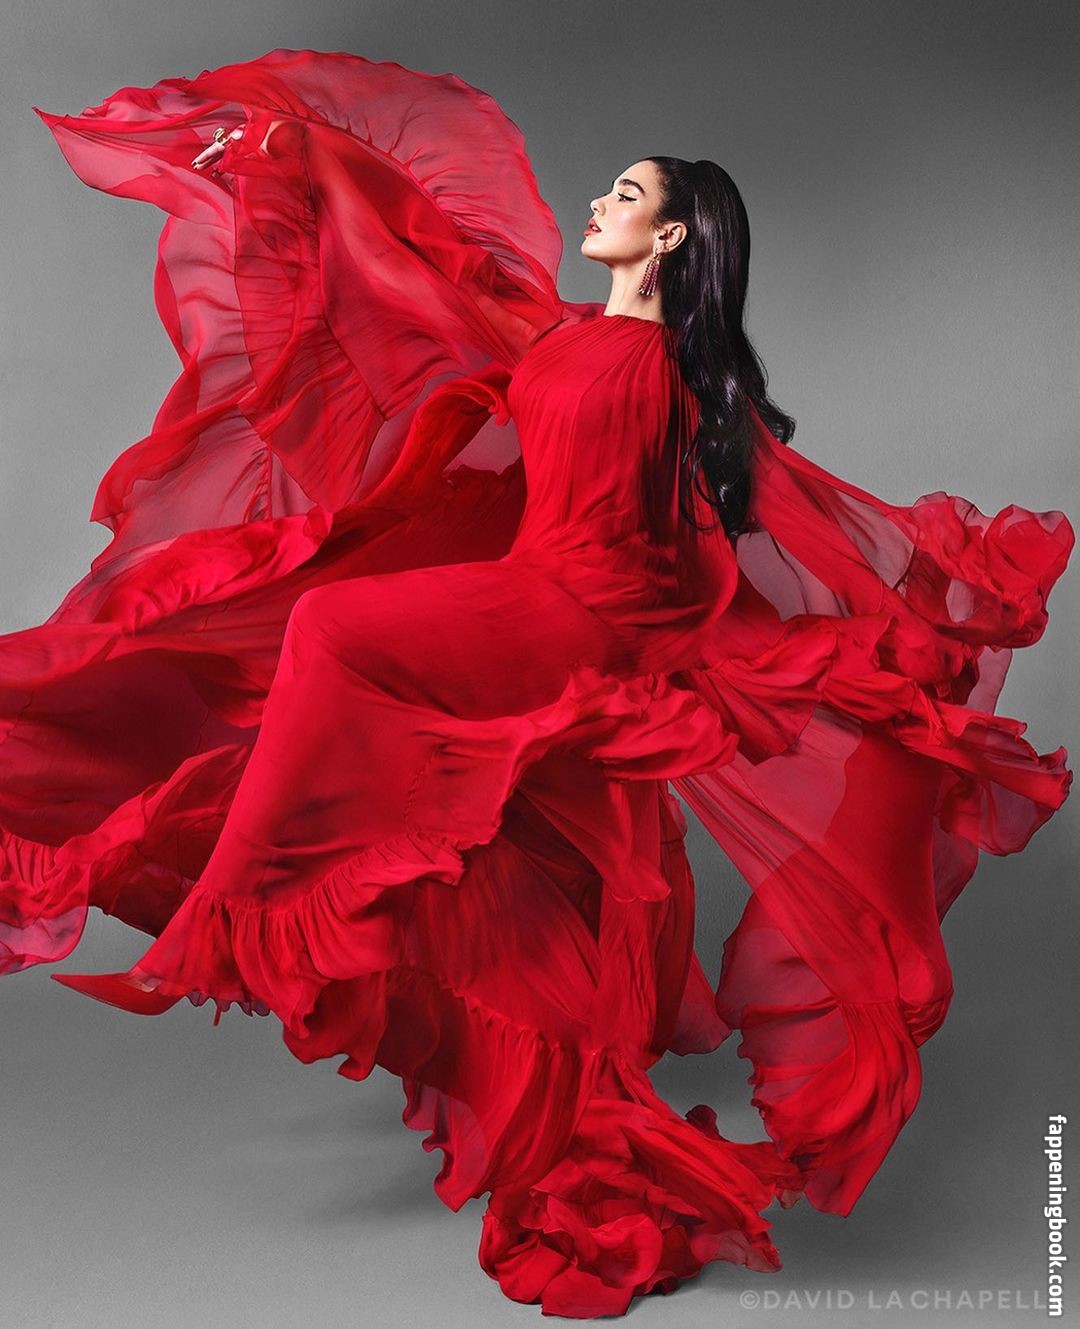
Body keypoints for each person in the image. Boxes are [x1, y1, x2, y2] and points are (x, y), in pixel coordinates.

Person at [1, 48, 1072, 1319]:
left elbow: (740, 530)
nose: (600, 201)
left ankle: (255, 913)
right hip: (528, 589)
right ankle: (335, 934)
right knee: (292, 649)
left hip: (583, 613)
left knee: (337, 632)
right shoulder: (560, 334)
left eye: (628, 194)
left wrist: (711, 646)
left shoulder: (683, 375)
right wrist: (291, 161)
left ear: (671, 238)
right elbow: (409, 272)